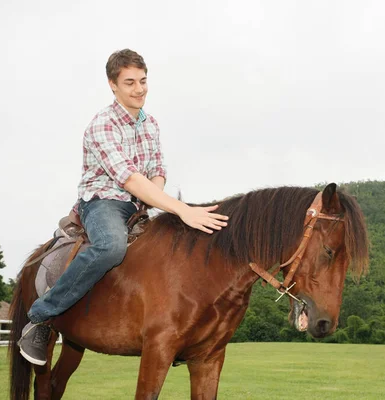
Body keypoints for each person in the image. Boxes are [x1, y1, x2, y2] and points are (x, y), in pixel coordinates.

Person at [18, 49, 229, 365]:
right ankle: (41, 317)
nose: (140, 89)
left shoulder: (149, 122)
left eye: (143, 81)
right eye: (130, 82)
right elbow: (129, 179)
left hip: (139, 204)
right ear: (112, 85)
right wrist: (180, 209)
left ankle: (179, 330)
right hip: (102, 203)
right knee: (111, 247)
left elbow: (157, 169)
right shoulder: (102, 125)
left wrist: (152, 200)